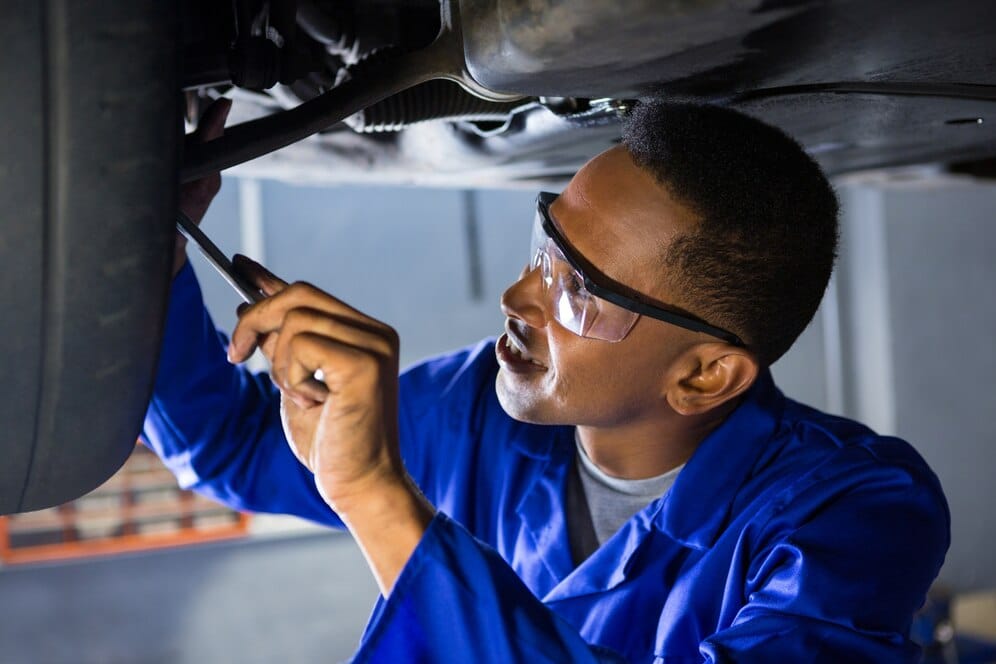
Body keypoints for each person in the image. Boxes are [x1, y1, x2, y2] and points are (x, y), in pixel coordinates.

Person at [143, 99, 949, 662]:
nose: (517, 297)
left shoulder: (853, 512)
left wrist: (378, 499)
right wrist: (154, 248)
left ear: (704, 375)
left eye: (578, 291)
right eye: (544, 248)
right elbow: (231, 444)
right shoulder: (477, 412)